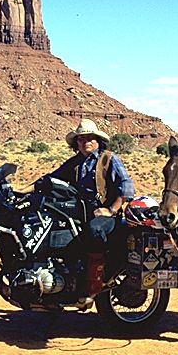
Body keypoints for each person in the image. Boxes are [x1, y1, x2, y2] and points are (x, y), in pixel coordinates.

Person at [47, 118, 135, 290]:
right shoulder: (75, 162)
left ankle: (97, 278)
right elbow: (51, 178)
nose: (85, 141)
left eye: (90, 138)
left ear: (97, 140)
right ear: (77, 143)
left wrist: (111, 210)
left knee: (94, 229)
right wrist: (22, 191)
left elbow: (126, 186)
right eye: (81, 138)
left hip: (107, 216)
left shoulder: (108, 159)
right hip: (81, 213)